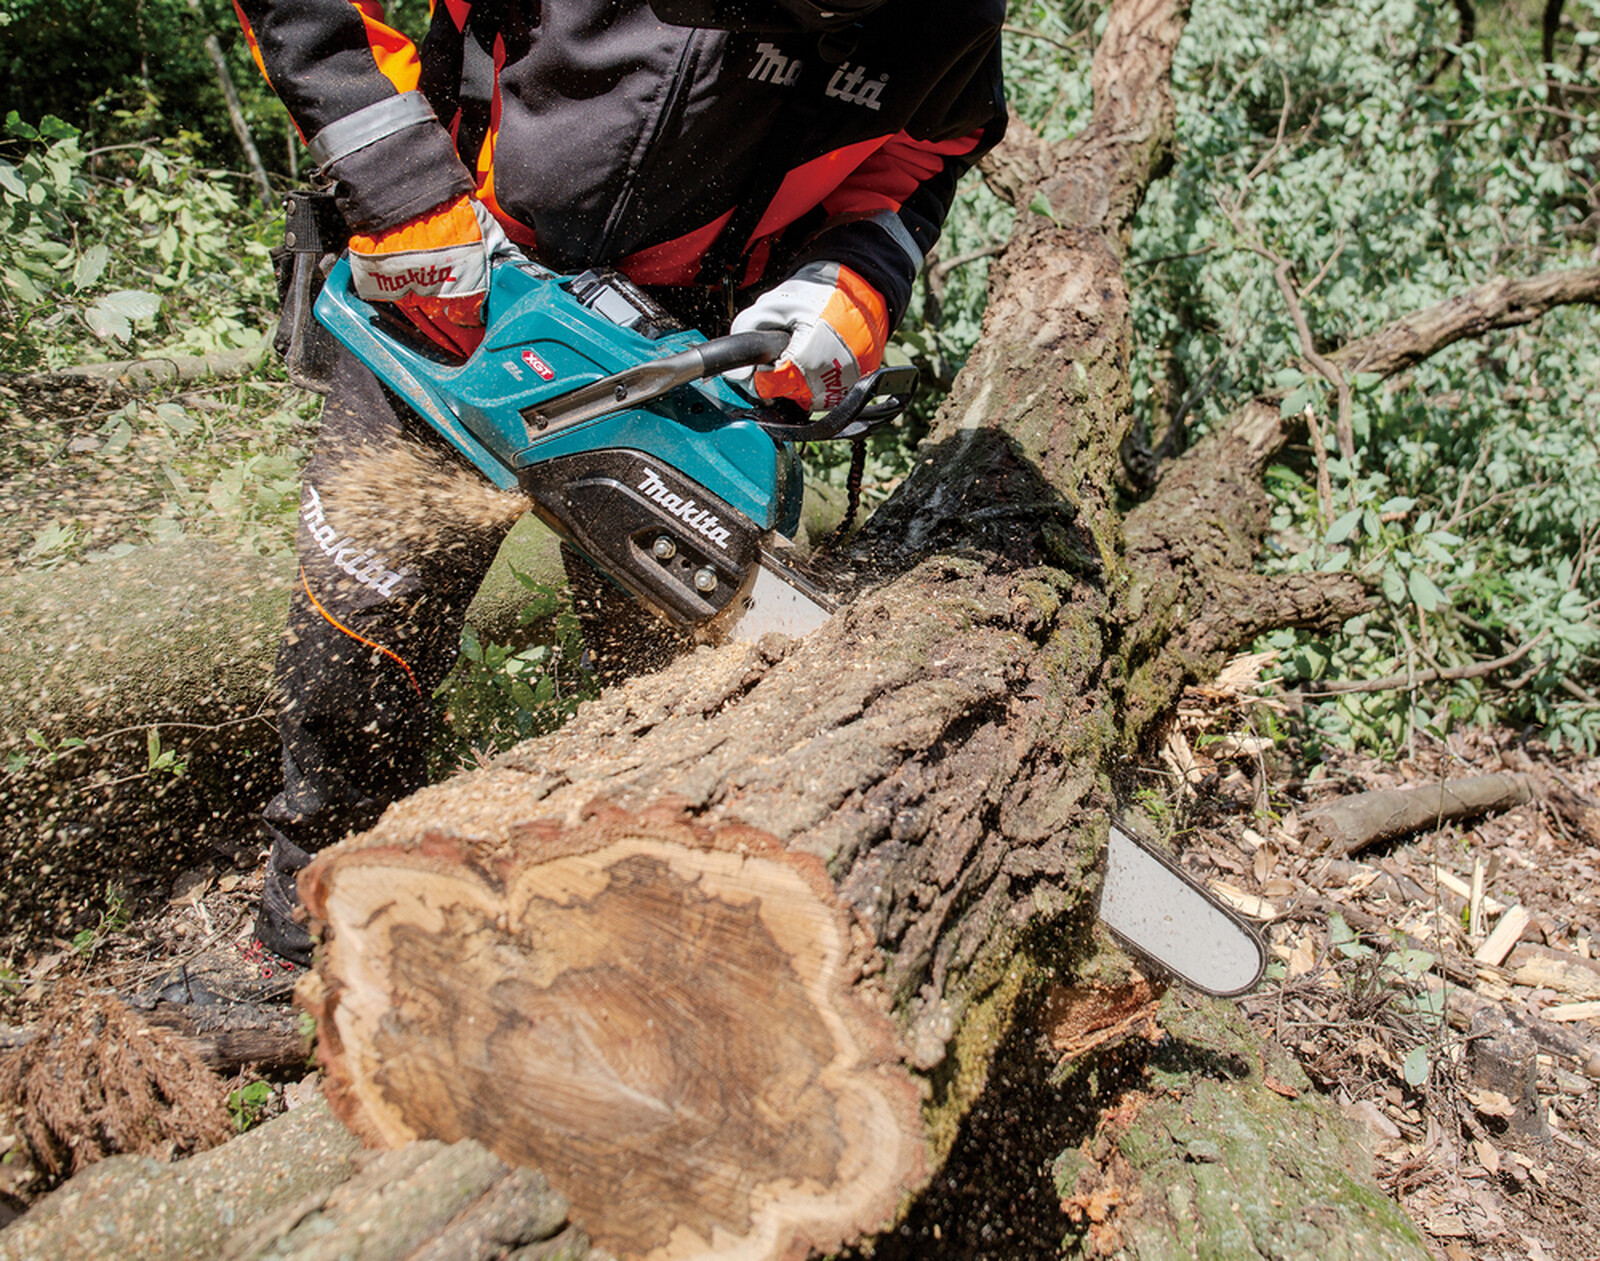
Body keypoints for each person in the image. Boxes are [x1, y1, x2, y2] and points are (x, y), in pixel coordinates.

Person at [231, 0, 1007, 971]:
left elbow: (922, 158)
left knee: (688, 685)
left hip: (686, 356)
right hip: (460, 271)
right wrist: (396, 183)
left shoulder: (953, 22)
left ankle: (654, 956)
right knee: (355, 639)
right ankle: (302, 938)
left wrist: (850, 279)